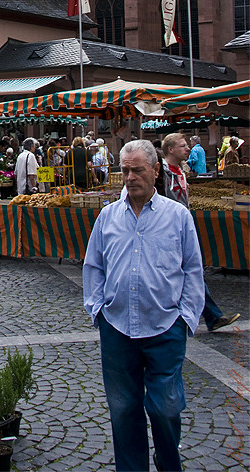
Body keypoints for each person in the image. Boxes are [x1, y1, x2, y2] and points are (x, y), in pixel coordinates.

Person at [83, 139, 205, 472]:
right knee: (123, 409)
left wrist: (186, 317)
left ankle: (168, 462)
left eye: (137, 170)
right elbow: (93, 265)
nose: (130, 177)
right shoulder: (108, 217)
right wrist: (97, 309)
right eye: (124, 170)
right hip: (117, 327)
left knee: (166, 407)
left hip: (165, 326)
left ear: (155, 170)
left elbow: (193, 269)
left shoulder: (177, 216)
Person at [160, 133, 240, 333]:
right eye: (183, 146)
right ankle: (208, 316)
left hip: (181, 227)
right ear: (170, 149)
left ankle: (209, 316)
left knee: (191, 271)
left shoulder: (180, 170)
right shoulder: (161, 172)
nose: (188, 148)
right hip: (168, 228)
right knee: (189, 272)